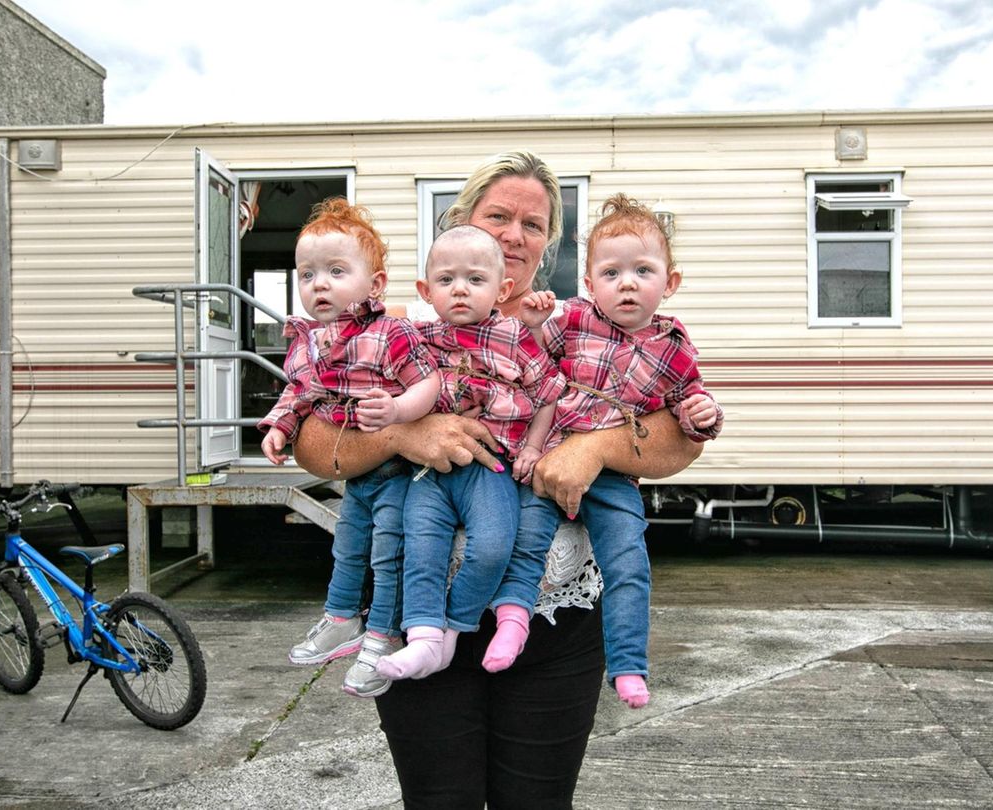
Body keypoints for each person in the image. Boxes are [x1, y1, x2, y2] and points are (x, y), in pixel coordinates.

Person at [291, 151, 704, 808]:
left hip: (555, 618)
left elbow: (681, 437)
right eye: (498, 216)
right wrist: (402, 433)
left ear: (550, 244)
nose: (514, 235)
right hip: (417, 609)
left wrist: (596, 447)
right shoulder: (398, 329)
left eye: (533, 224)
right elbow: (312, 444)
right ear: (462, 221)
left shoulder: (587, 322)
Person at [507, 194, 723, 709]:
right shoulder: (574, 320)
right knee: (527, 545)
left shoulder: (675, 346)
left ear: (669, 282)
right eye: (611, 273)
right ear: (589, 284)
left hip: (615, 478)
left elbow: (687, 401)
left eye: (643, 270)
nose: (626, 283)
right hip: (551, 460)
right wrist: (536, 323)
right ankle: (512, 622)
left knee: (628, 563)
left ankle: (628, 666)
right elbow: (525, 360)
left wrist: (703, 414)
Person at [257, 198, 439, 698]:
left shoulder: (389, 332)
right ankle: (341, 619)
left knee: (387, 554)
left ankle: (381, 635)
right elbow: (299, 392)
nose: (319, 284)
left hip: (400, 472)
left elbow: (428, 382)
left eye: (336, 271)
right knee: (346, 546)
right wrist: (279, 427)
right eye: (308, 273)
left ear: (375, 284)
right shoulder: (308, 341)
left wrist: (401, 413)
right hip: (358, 476)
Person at [374, 225, 565, 682]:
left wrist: (535, 446)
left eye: (475, 280)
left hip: (490, 465)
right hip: (427, 468)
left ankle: (454, 628)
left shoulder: (516, 337)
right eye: (446, 280)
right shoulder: (414, 338)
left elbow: (549, 394)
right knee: (420, 548)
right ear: (425, 290)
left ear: (503, 290)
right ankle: (421, 637)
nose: (460, 289)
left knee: (494, 545)